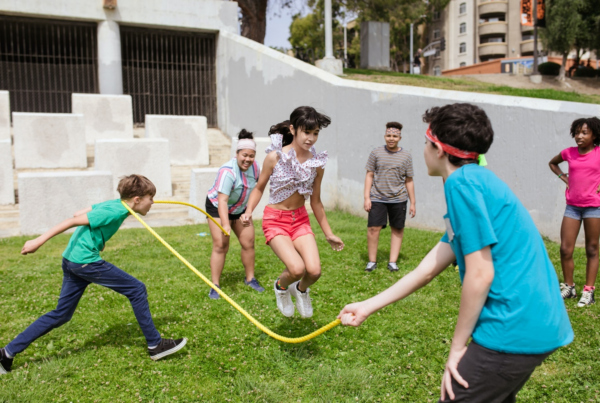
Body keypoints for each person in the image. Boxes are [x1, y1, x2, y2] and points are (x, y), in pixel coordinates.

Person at [338, 103, 573, 403]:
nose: (423, 149)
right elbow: (430, 266)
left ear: (437, 149)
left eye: (425, 142)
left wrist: (457, 348)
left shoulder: (461, 185)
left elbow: (480, 272)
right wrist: (368, 305)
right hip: (540, 320)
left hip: (512, 326)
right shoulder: (476, 180)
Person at [0, 175, 187, 374]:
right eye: (151, 198)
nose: (153, 203)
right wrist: (38, 241)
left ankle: (6, 353)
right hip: (85, 262)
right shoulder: (115, 211)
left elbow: (80, 212)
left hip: (71, 259)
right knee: (137, 288)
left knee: (61, 314)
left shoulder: (116, 204)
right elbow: (72, 220)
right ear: (137, 200)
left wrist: (98, 236)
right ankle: (155, 345)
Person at [241, 106, 344, 318]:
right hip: (275, 220)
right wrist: (249, 210)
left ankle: (300, 290)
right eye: (307, 132)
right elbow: (259, 187)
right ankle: (280, 287)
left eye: (315, 133)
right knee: (296, 269)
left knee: (314, 271)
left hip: (300, 220)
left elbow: (316, 202)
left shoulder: (317, 163)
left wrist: (329, 233)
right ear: (293, 129)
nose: (311, 138)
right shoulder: (275, 157)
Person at [205, 129, 265, 299]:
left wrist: (248, 211)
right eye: (244, 155)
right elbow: (222, 201)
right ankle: (215, 285)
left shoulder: (255, 168)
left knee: (248, 241)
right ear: (237, 153)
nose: (247, 159)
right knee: (221, 245)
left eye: (251, 156)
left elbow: (257, 190)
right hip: (218, 208)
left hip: (239, 208)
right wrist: (225, 224)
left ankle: (250, 278)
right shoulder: (227, 172)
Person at [549, 117, 600, 307]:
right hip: (573, 207)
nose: (579, 136)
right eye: (577, 132)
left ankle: (589, 291)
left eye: (584, 132)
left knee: (592, 249)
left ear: (595, 135)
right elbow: (552, 163)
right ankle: (569, 287)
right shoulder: (569, 153)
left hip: (594, 207)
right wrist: (564, 177)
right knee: (565, 249)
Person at [364, 121, 416, 272]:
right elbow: (369, 175)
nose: (391, 138)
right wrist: (367, 197)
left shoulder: (406, 156)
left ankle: (392, 262)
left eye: (394, 136)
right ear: (384, 136)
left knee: (397, 228)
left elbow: (409, 180)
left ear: (400, 137)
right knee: (373, 228)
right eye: (388, 135)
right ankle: (372, 261)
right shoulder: (376, 153)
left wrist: (413, 202)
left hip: (399, 199)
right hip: (377, 197)